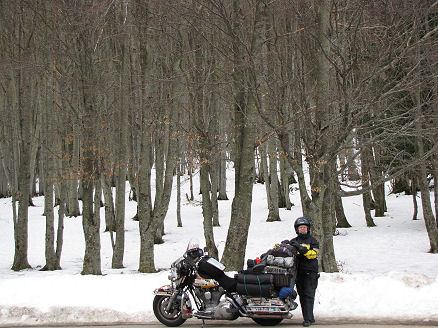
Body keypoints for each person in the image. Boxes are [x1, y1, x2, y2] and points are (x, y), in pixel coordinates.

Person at [288, 217, 319, 327]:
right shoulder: (294, 241)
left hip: (310, 272)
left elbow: (312, 255)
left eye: (304, 227)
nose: (302, 229)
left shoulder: (313, 241)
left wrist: (300, 248)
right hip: (298, 271)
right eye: (300, 228)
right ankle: (309, 317)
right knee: (302, 295)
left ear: (308, 228)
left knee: (309, 295)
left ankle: (308, 319)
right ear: (297, 229)